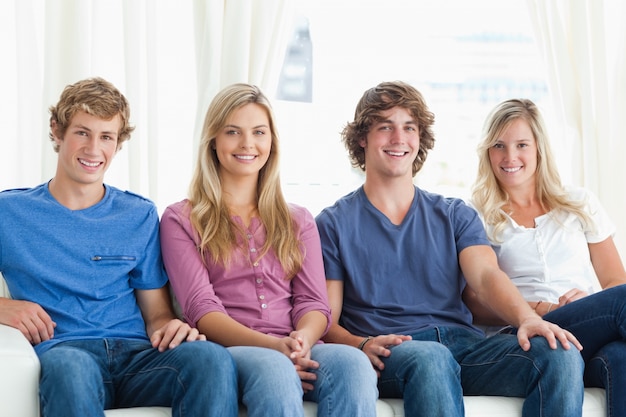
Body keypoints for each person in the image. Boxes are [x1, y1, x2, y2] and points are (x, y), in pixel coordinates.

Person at [315, 80, 586, 417]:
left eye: (409, 128)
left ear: (420, 138)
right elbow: (325, 318)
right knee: (431, 356)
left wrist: (528, 319)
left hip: (466, 348)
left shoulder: (455, 213)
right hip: (395, 351)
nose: (399, 138)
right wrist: (361, 345)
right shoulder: (332, 224)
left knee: (558, 354)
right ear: (362, 138)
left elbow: (486, 276)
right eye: (385, 127)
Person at [0, 77, 238, 417]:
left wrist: (170, 327)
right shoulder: (9, 212)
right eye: (82, 132)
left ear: (118, 143)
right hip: (67, 353)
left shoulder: (138, 214)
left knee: (211, 358)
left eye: (106, 137)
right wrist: (2, 308)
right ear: (57, 131)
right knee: (72, 368)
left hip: (137, 358)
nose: (94, 149)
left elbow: (156, 313)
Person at [159, 83, 378, 417]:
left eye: (259, 132)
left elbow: (314, 302)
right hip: (230, 349)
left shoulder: (298, 219)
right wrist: (275, 348)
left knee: (353, 364)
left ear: (271, 142)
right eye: (233, 132)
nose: (248, 144)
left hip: (295, 344)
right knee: (275, 372)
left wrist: (301, 340)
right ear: (213, 141)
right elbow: (200, 309)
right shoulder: (181, 219)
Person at [466, 97, 626, 416]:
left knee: (622, 358)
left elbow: (614, 280)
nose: (510, 157)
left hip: (584, 328)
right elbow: (474, 302)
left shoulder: (578, 203)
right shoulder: (475, 214)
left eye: (522, 144)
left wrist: (587, 302)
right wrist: (543, 309)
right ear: (487, 151)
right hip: (523, 332)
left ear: (539, 148)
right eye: (499, 145)